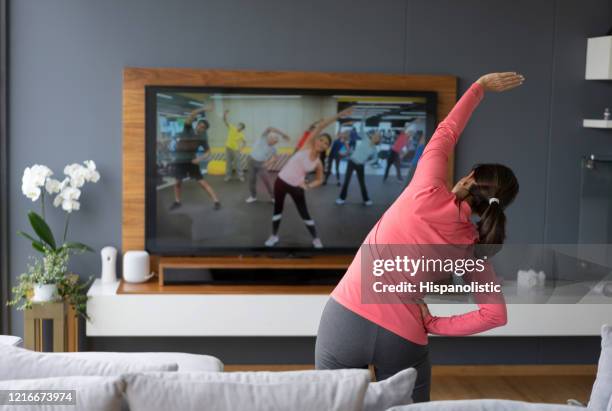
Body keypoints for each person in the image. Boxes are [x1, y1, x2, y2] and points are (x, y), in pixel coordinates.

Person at [315, 72, 524, 403]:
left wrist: (479, 87)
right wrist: (434, 323)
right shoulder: (474, 246)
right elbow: (495, 315)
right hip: (404, 335)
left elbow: (446, 132)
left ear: (470, 177)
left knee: (330, 406)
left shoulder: (425, 189)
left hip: (347, 316)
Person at [265, 107, 353, 249]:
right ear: (316, 140)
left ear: (326, 148)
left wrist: (308, 186)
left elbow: (320, 179)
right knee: (277, 209)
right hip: (280, 182)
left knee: (304, 213)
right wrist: (339, 115)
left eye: (326, 144)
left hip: (297, 187)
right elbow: (321, 126)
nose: (322, 143)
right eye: (321, 140)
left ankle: (316, 238)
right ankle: (274, 236)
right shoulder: (306, 145)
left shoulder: (318, 163)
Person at [168, 106, 221, 211]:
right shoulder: (188, 129)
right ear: (196, 125)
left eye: (203, 128)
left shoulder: (202, 138)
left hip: (192, 162)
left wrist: (200, 159)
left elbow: (208, 152)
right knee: (177, 183)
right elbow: (192, 114)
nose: (200, 128)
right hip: (179, 161)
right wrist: (204, 109)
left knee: (202, 183)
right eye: (199, 126)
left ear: (205, 130)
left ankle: (216, 201)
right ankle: (177, 201)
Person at [336, 112, 381, 206]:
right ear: (372, 136)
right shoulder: (365, 138)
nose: (375, 136)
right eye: (375, 135)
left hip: (360, 165)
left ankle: (366, 199)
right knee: (346, 181)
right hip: (351, 162)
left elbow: (375, 159)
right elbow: (361, 128)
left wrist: (367, 163)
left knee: (362, 183)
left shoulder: (374, 150)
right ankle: (341, 198)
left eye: (377, 136)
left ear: (377, 140)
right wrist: (363, 117)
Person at [246, 127, 290, 203]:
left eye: (276, 142)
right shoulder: (262, 138)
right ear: (270, 138)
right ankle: (253, 196)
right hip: (251, 161)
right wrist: (283, 134)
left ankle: (273, 197)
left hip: (261, 164)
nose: (275, 143)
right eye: (274, 141)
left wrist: (268, 163)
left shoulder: (273, 148)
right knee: (251, 180)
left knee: (267, 180)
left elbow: (275, 159)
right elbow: (270, 128)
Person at [223, 110, 246, 182]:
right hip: (228, 148)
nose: (238, 127)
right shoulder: (232, 128)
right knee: (228, 163)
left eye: (240, 126)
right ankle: (228, 176)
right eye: (238, 125)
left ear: (242, 129)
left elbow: (244, 142)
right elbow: (225, 121)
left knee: (238, 164)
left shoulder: (242, 134)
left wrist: (241, 149)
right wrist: (225, 114)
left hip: (235, 150)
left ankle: (240, 176)